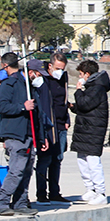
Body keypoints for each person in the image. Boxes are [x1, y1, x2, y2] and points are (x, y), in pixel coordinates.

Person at [0, 53, 41, 217]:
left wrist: (40, 137)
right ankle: (2, 203)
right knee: (16, 170)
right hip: (15, 134)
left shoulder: (28, 85)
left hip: (29, 134)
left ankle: (20, 202)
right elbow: (2, 107)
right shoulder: (9, 84)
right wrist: (22, 107)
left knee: (27, 170)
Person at [69, 59, 110, 205]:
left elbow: (85, 104)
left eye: (81, 74)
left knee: (93, 161)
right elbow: (85, 107)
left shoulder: (97, 88)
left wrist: (78, 91)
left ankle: (101, 192)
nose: (80, 77)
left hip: (93, 130)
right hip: (85, 129)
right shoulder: (92, 87)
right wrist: (73, 107)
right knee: (82, 159)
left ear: (87, 74)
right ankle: (90, 189)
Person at [35, 51, 71, 204]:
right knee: (45, 159)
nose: (60, 71)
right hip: (48, 124)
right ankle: (41, 193)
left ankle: (54, 192)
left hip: (61, 123)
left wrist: (67, 118)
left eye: (62, 68)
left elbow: (64, 100)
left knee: (58, 159)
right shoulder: (42, 79)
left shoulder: (63, 77)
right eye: (57, 68)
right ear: (50, 66)